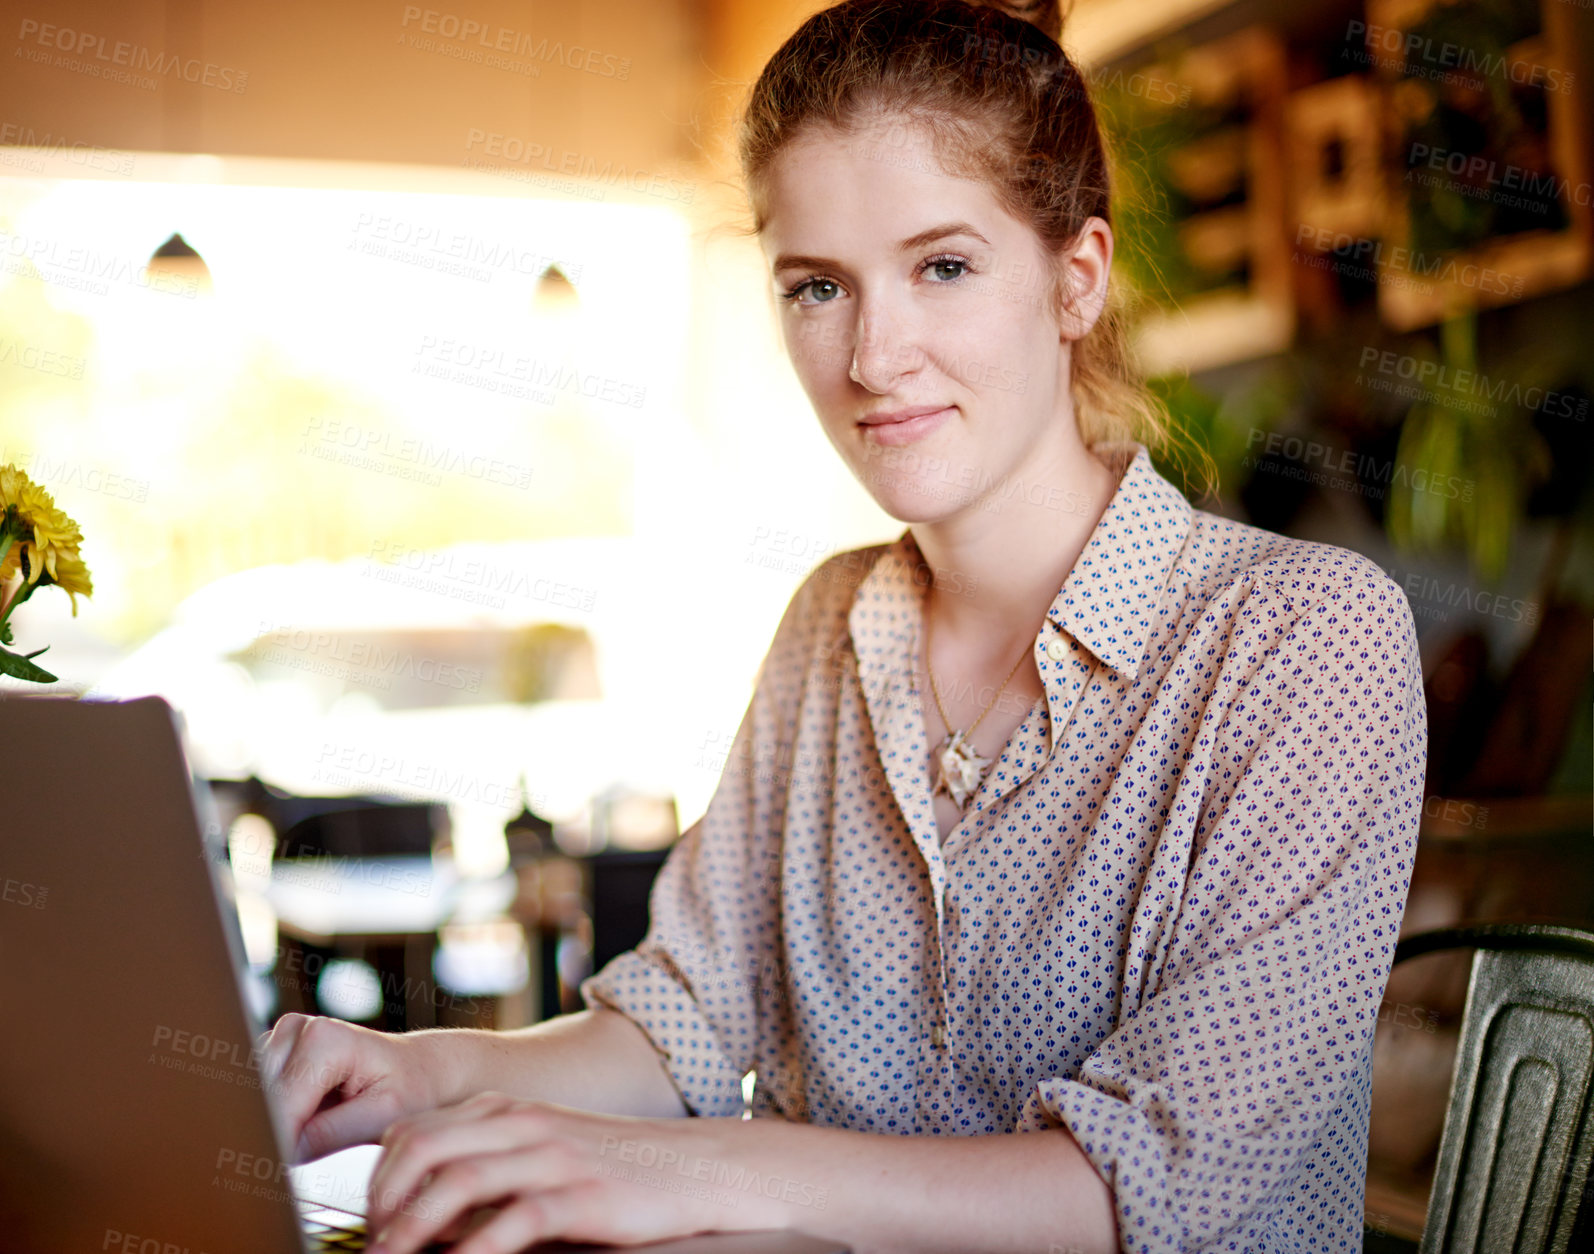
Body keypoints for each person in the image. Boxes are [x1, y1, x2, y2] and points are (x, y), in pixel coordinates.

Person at [258, 2, 1429, 1251]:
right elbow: (677, 1025)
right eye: (817, 287)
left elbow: (1156, 1185)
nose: (873, 357)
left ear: (1075, 279)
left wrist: (700, 1174)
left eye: (943, 267)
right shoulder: (829, 624)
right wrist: (414, 1075)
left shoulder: (1305, 638)